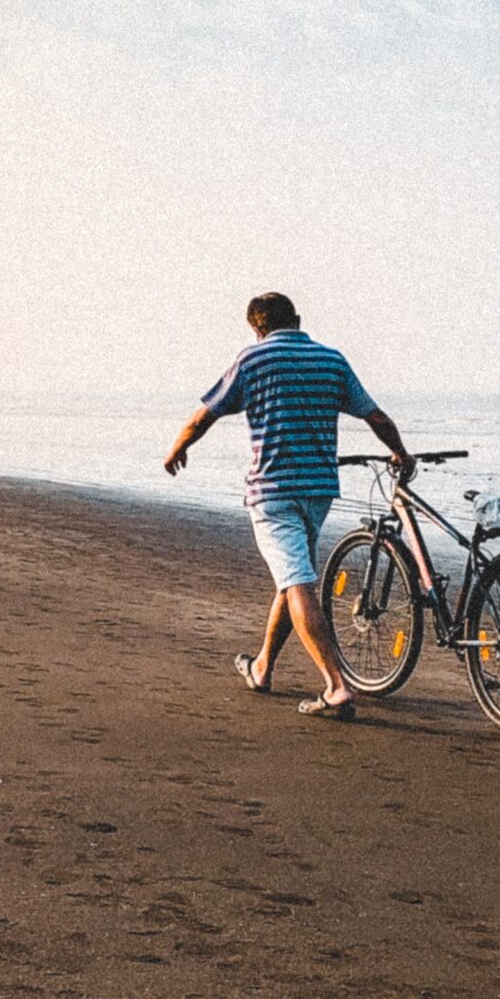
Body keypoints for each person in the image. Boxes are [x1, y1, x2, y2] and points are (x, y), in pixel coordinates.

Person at [164, 293, 414, 720]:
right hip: (318, 490)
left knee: (297, 581)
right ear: (297, 319)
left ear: (256, 328)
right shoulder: (331, 361)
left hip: (272, 492)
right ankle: (262, 667)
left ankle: (336, 686)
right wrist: (401, 453)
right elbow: (376, 417)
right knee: (293, 575)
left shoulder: (253, 360)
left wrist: (178, 448)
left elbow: (205, 414)